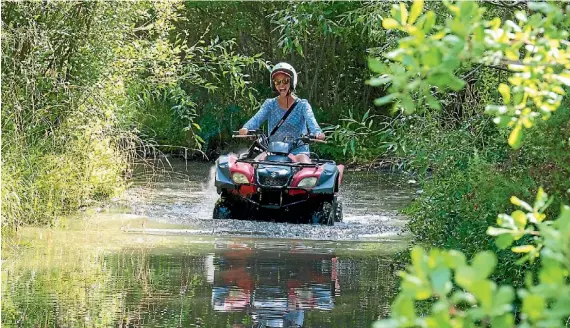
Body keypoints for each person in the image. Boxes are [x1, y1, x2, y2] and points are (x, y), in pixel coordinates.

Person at [239, 62, 325, 163]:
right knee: (255, 164)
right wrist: (246, 128)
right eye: (277, 82)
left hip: (298, 152)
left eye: (285, 81)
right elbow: (256, 119)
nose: (281, 85)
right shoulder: (269, 104)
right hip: (273, 151)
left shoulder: (302, 105)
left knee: (305, 168)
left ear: (292, 82)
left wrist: (318, 133)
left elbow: (312, 122)